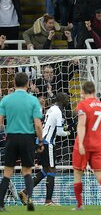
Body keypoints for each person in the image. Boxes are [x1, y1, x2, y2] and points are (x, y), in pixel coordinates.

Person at [0, 72, 43, 212]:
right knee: (27, 171)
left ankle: (0, 204)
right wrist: (41, 141)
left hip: (11, 137)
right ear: (27, 84)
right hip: (27, 138)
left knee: (7, 171)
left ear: (14, 83)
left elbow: (0, 122)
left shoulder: (6, 100)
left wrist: (5, 135)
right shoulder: (33, 100)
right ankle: (29, 199)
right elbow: (37, 124)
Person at [18, 92, 70, 206]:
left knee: (45, 170)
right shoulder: (58, 111)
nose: (68, 100)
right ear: (62, 100)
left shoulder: (51, 109)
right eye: (66, 98)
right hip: (48, 143)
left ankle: (25, 192)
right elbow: (60, 132)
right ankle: (48, 201)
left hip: (41, 141)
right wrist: (68, 132)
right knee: (51, 170)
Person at [72, 81, 101, 210]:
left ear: (83, 92)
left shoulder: (82, 105)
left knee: (78, 174)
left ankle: (80, 205)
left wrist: (81, 144)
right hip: (98, 143)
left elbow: (82, 124)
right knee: (100, 173)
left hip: (84, 143)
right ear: (94, 91)